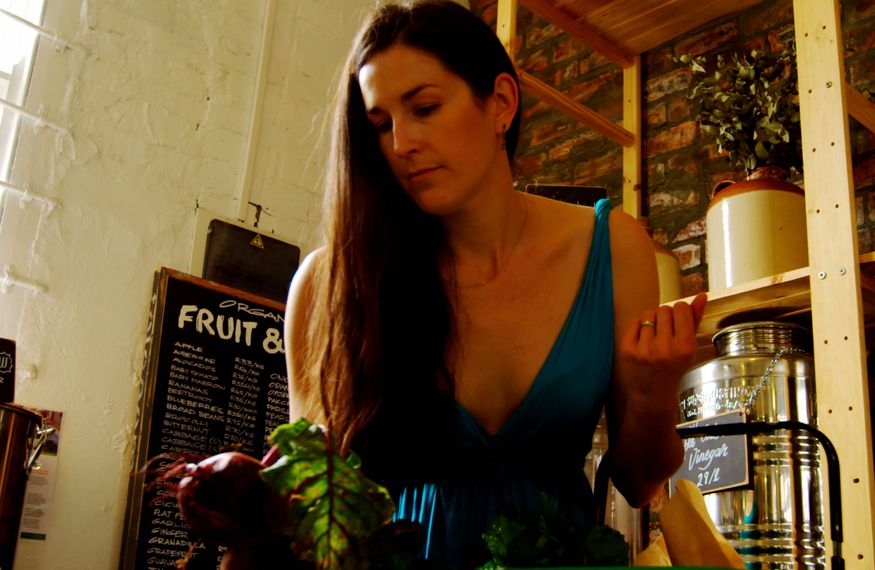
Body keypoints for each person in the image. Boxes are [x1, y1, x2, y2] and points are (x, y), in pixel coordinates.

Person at [283, 0, 707, 567]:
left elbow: (639, 482)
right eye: (380, 124)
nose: (402, 143)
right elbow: (310, 506)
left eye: (425, 108)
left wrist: (655, 392)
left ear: (501, 103)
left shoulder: (614, 248)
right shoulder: (329, 284)